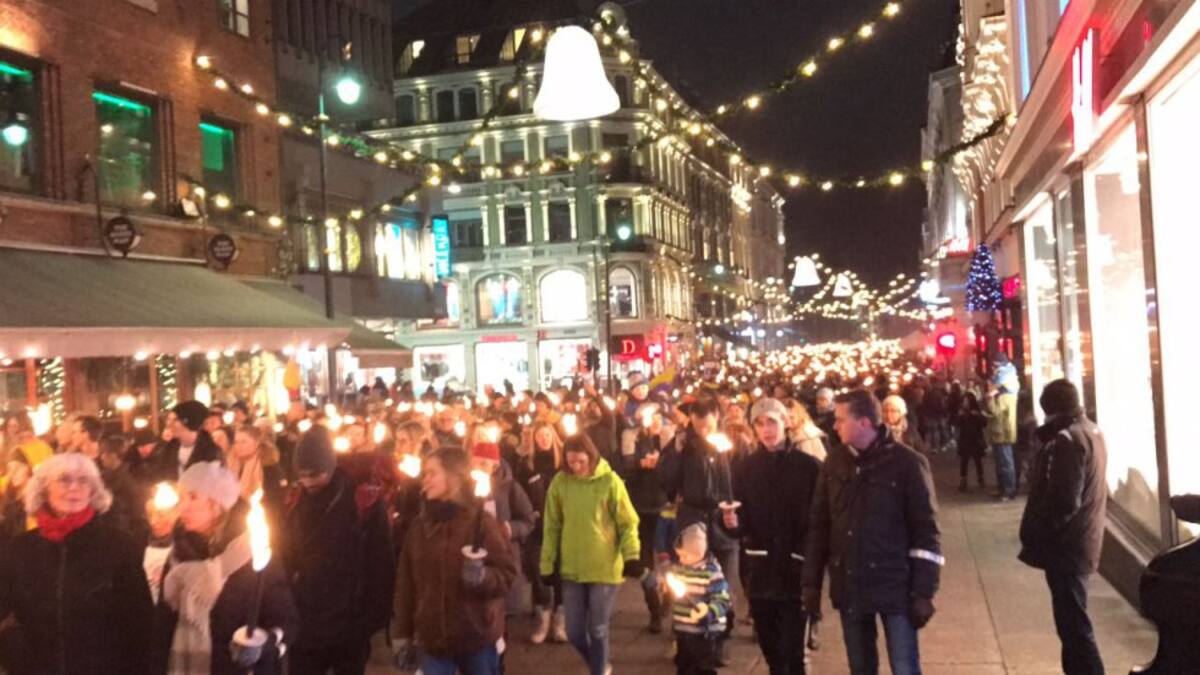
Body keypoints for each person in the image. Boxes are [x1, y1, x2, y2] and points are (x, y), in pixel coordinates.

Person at [803, 390, 942, 675]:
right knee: (861, 666)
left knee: (904, 666)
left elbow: (926, 530)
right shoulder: (834, 463)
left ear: (864, 422)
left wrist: (924, 591)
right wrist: (811, 584)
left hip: (896, 585)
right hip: (851, 584)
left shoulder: (907, 463)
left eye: (841, 419)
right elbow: (819, 526)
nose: (834, 426)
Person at [0, 453, 154, 674]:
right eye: (64, 480)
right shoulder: (21, 549)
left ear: (93, 491)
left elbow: (140, 623)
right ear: (43, 489)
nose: (74, 488)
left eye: (84, 481)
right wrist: (13, 652)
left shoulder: (118, 546)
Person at [156, 462, 298, 675]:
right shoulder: (179, 555)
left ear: (217, 504)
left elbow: (285, 619)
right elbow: (163, 625)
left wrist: (261, 646)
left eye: (193, 497)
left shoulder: (253, 552)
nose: (183, 507)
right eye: (181, 498)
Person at [393, 446, 518, 675]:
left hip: (476, 636)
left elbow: (507, 574)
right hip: (432, 639)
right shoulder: (420, 527)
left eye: (432, 473)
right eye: (425, 473)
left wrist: (482, 577)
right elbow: (406, 583)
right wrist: (402, 633)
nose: (425, 479)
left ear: (454, 477)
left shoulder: (482, 524)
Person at [282, 426, 395, 675]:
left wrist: (371, 620)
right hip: (306, 620)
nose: (308, 482)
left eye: (315, 474)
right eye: (302, 475)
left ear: (330, 467)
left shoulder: (363, 502)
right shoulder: (295, 500)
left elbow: (381, 564)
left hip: (350, 621)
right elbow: (286, 556)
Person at [722, 398, 821, 675]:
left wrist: (807, 556)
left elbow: (819, 518)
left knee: (793, 650)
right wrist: (730, 521)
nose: (767, 430)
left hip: (794, 569)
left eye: (772, 422)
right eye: (760, 424)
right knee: (771, 648)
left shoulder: (808, 467)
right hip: (760, 568)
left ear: (785, 423)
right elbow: (738, 516)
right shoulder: (745, 468)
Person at [1018, 380, 1108, 675]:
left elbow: (1064, 501)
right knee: (1072, 625)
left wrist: (1041, 532)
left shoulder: (1068, 441)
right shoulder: (1090, 432)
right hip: (1081, 540)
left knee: (1074, 626)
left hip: (1068, 547)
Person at [540, 434, 641, 675]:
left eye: (581, 462)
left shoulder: (610, 481)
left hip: (604, 567)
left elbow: (627, 522)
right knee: (574, 632)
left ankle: (598, 670)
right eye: (571, 462)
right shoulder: (560, 483)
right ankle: (599, 663)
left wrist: (631, 555)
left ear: (591, 457)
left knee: (598, 628)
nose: (576, 467)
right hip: (572, 568)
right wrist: (547, 563)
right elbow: (551, 526)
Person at [619, 402, 671, 634]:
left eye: (658, 417)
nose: (655, 422)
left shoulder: (668, 440)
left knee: (669, 559)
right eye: (651, 417)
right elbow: (624, 467)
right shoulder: (632, 439)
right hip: (640, 506)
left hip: (665, 507)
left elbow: (675, 468)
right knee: (644, 562)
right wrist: (641, 464)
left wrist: (661, 463)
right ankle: (654, 609)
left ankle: (670, 596)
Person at [515, 421, 567, 644]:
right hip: (537, 528)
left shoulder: (563, 462)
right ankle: (543, 619)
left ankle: (560, 620)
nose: (543, 439)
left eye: (547, 435)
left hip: (562, 526)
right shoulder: (527, 464)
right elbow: (519, 492)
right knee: (539, 574)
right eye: (539, 436)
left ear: (553, 436)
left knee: (562, 573)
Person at [668, 523, 732, 675]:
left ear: (698, 553)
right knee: (683, 665)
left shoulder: (711, 573)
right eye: (679, 555)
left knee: (703, 666)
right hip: (683, 628)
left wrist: (710, 612)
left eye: (685, 556)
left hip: (705, 632)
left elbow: (723, 599)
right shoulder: (679, 570)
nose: (681, 559)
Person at [159, 401, 224, 481]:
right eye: (168, 420)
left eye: (175, 420)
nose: (169, 424)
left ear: (189, 423)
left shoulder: (211, 452)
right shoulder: (168, 449)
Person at [228, 425, 286, 511]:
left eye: (244, 442)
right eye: (236, 442)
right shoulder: (232, 464)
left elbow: (274, 499)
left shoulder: (268, 465)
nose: (239, 446)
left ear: (256, 443)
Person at [984, 378, 1018, 500]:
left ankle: (1008, 490)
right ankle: (1003, 489)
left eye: (990, 384)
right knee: (1001, 464)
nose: (989, 387)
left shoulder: (1004, 397)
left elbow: (995, 411)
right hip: (1001, 433)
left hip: (1002, 435)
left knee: (1005, 464)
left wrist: (990, 398)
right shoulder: (1007, 396)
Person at [956, 393, 987, 492]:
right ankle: (963, 480)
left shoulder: (977, 411)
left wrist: (978, 415)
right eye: (964, 401)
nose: (965, 403)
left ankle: (980, 478)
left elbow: (984, 424)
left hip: (975, 439)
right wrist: (960, 416)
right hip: (964, 439)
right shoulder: (961, 412)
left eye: (966, 401)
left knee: (977, 460)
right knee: (964, 461)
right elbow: (957, 424)